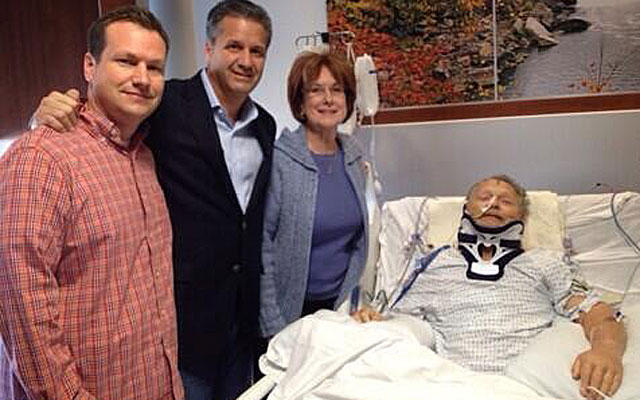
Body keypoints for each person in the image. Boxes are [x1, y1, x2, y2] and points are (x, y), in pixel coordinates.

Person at [30, 1, 276, 399]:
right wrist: (44, 116)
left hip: (240, 316)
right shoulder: (165, 104)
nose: (245, 60)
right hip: (183, 321)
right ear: (209, 49)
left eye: (257, 51)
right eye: (234, 46)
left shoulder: (265, 125)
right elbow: (102, 118)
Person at [0, 6, 184, 400]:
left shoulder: (144, 156)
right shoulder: (42, 158)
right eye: (126, 61)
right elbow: (23, 309)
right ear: (89, 65)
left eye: (154, 68)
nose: (142, 78)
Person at [353, 175, 627, 400]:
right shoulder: (434, 263)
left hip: (526, 385)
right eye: (484, 198)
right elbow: (401, 322)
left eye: (505, 201)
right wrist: (374, 319)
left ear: (520, 215)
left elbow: (597, 313)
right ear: (466, 210)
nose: (494, 204)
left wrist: (606, 350)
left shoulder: (545, 262)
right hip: (445, 384)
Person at [259, 51, 372, 339]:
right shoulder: (279, 161)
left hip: (340, 310)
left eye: (337, 90)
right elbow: (262, 248)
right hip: (288, 314)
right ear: (300, 101)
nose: (328, 99)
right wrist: (274, 327)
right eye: (316, 90)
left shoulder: (354, 157)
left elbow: (358, 240)